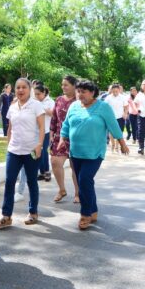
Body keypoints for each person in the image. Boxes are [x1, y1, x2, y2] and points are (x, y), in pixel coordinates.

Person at [59, 80, 129, 230]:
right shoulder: (74, 106)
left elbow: (113, 125)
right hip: (76, 152)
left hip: (94, 152)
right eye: (78, 91)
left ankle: (85, 214)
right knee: (84, 181)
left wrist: (122, 143)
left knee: (84, 179)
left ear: (92, 93)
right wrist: (62, 138)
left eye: (83, 91)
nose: (80, 94)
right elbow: (66, 124)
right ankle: (94, 209)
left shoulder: (103, 107)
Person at [0, 78, 45, 229]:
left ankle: (33, 212)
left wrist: (39, 145)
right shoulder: (12, 106)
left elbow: (42, 127)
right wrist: (8, 143)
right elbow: (10, 127)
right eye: (18, 87)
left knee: (31, 181)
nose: (20, 90)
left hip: (31, 150)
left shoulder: (36, 105)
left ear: (29, 89)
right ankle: (6, 215)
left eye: (24, 87)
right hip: (14, 150)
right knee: (10, 181)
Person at [49, 75, 80, 203]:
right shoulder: (59, 99)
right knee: (55, 162)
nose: (63, 87)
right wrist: (51, 134)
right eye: (62, 84)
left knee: (75, 167)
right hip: (59, 137)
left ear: (74, 86)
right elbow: (54, 118)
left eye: (66, 84)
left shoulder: (80, 101)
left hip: (76, 138)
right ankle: (62, 190)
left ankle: (78, 193)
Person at [34, 84, 54, 182]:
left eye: (38, 94)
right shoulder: (33, 102)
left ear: (44, 93)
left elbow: (53, 114)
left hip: (46, 131)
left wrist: (41, 107)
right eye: (35, 94)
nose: (37, 96)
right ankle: (42, 172)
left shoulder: (50, 102)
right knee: (38, 152)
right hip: (35, 131)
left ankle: (46, 171)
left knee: (43, 152)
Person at [104, 84, 128, 153]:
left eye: (116, 91)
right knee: (111, 132)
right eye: (113, 91)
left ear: (119, 90)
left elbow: (126, 106)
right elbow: (105, 107)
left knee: (119, 132)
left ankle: (117, 146)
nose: (115, 92)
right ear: (111, 90)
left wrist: (125, 113)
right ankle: (113, 145)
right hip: (111, 117)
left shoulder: (123, 97)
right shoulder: (108, 98)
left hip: (120, 117)